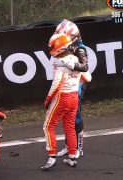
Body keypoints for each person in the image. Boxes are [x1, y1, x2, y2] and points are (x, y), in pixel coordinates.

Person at [50, 19, 90, 158]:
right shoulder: (67, 46)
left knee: (76, 117)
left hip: (78, 85)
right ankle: (69, 146)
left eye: (62, 35)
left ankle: (79, 148)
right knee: (67, 118)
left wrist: (70, 65)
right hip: (67, 86)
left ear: (71, 35)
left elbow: (85, 67)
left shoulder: (80, 48)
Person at [41, 33, 81, 170]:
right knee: (70, 126)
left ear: (58, 47)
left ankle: (51, 156)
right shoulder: (76, 58)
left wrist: (47, 99)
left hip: (62, 97)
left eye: (52, 46)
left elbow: (57, 83)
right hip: (75, 96)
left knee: (48, 126)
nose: (51, 49)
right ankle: (72, 156)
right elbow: (86, 77)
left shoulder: (59, 62)